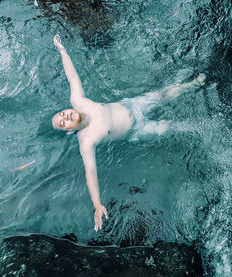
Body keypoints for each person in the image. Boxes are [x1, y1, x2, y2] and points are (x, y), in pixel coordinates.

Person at [51, 34, 205, 231]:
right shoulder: (86, 140)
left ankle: (192, 85)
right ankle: (196, 128)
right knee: (167, 127)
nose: (66, 117)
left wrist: (63, 51)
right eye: (64, 123)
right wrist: (97, 204)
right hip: (136, 130)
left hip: (132, 105)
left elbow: (72, 77)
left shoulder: (79, 101)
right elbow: (90, 172)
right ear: (69, 131)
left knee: (161, 95)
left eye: (63, 114)